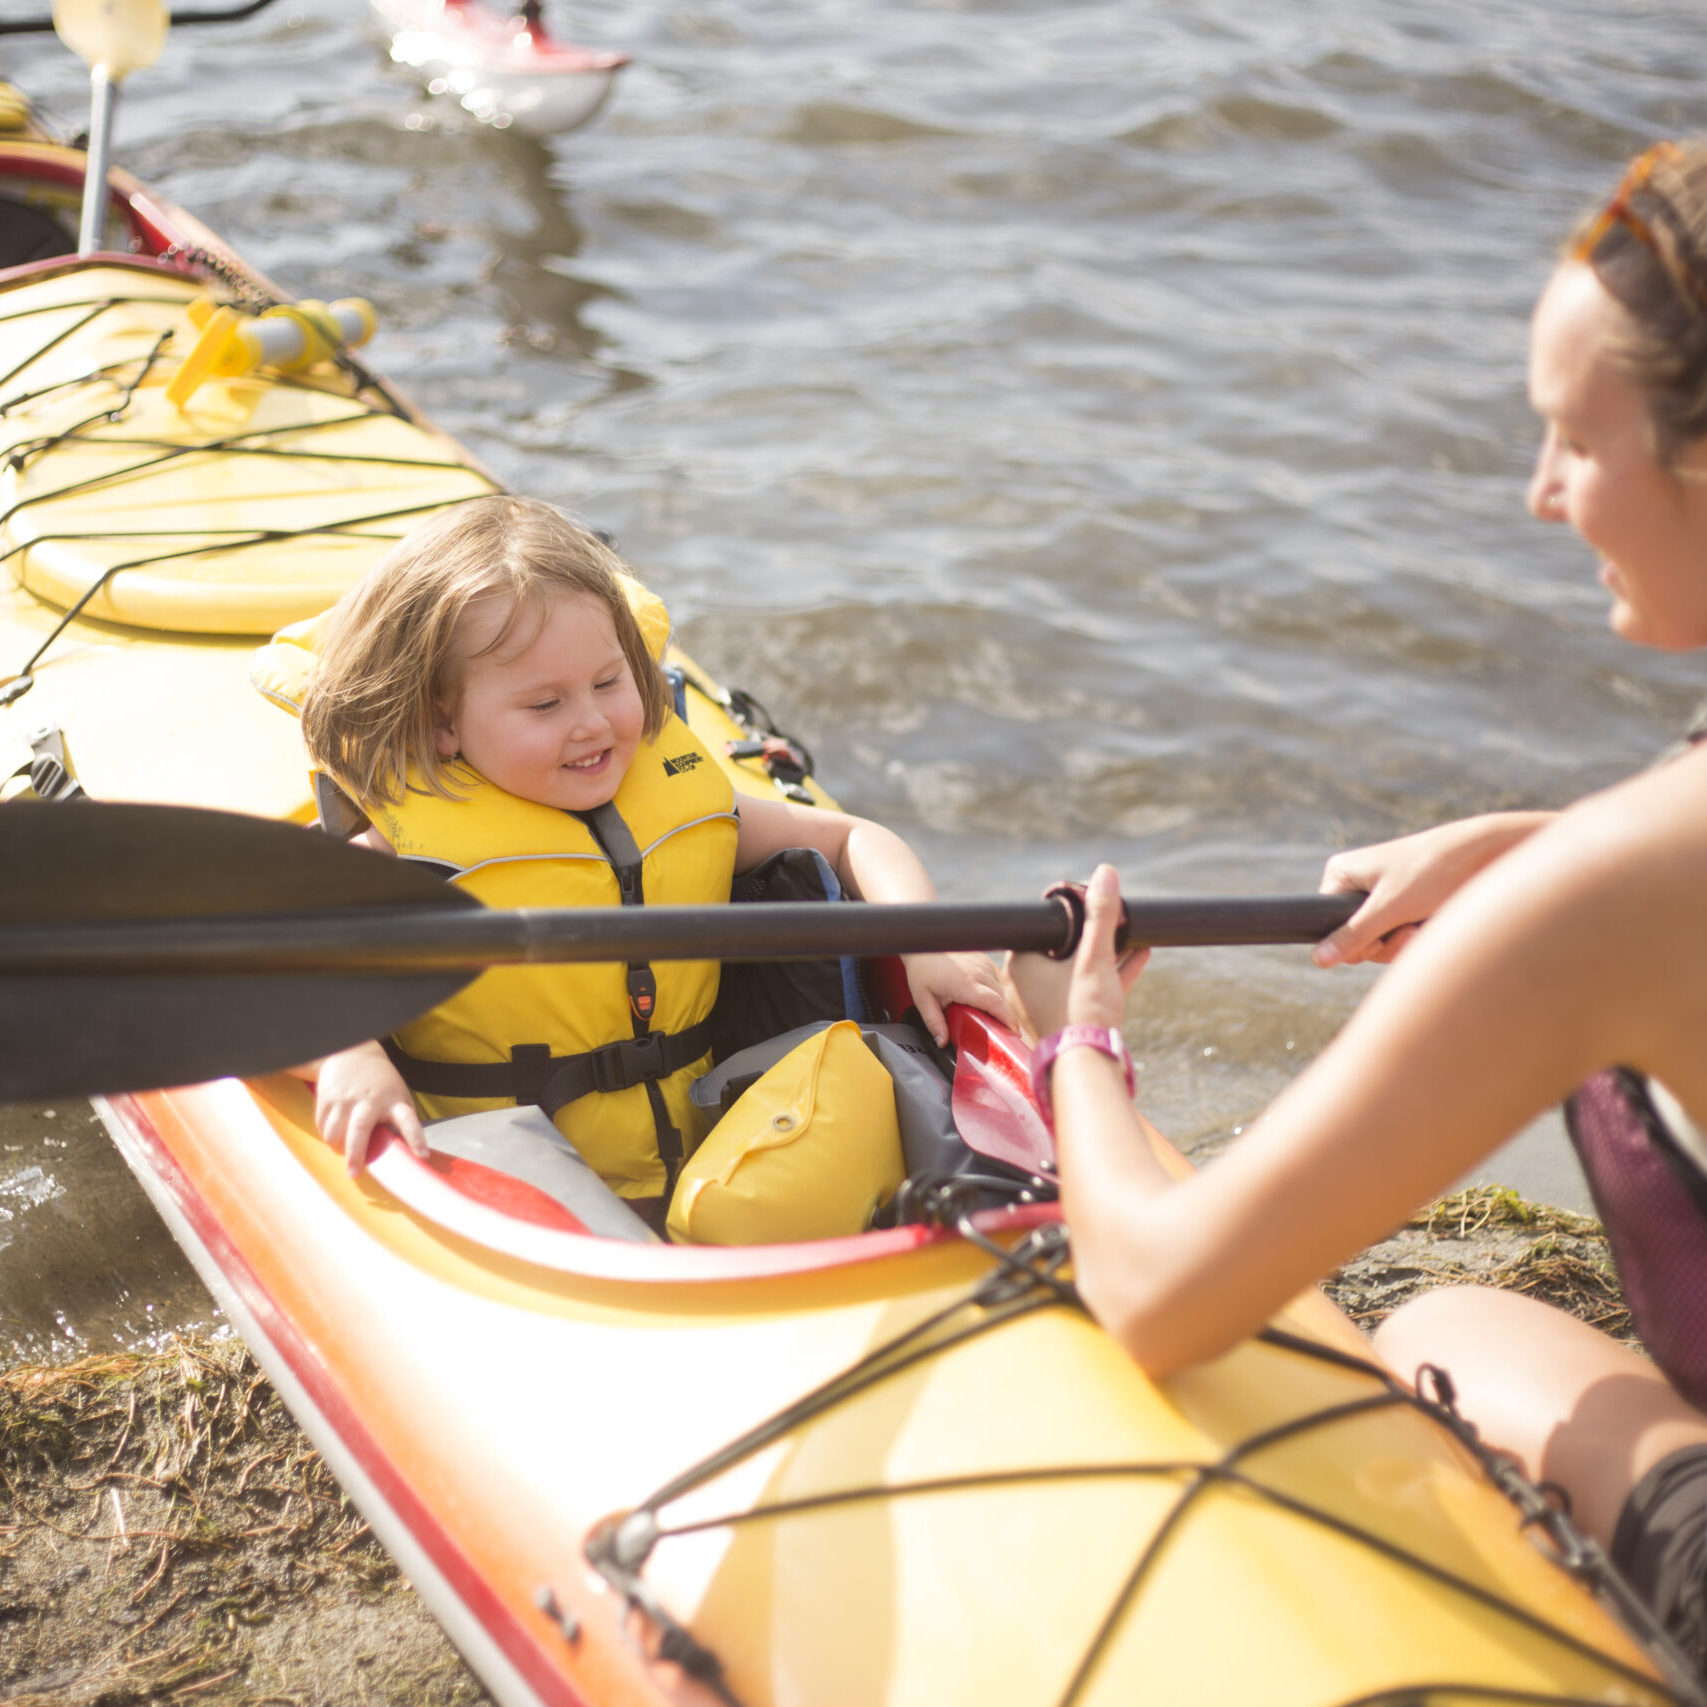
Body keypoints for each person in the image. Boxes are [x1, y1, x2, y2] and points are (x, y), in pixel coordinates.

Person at [1002, 139, 1707, 1670]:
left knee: (1438, 1328)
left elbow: (1157, 1289)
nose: (1536, 497)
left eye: (1568, 445)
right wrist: (1531, 841)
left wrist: (1077, 1047)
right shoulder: (1612, 866)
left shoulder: (1616, 895)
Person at [294, 494, 1008, 1194]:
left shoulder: (681, 806)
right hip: (518, 1187)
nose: (594, 723)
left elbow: (857, 837)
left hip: (714, 1155)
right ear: (442, 723)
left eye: (609, 682)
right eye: (545, 704)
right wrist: (347, 1056)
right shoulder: (399, 857)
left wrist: (925, 939)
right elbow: (269, 965)